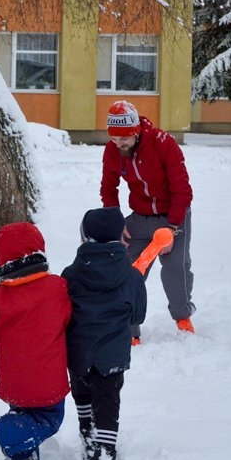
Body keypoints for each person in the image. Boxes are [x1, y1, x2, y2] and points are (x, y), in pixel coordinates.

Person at [0, 222, 72, 460]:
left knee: (23, 414)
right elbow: (69, 320)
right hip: (47, 377)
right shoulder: (57, 288)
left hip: (13, 376)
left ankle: (23, 459)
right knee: (48, 418)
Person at [62, 207, 147, 460]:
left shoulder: (71, 274)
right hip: (112, 355)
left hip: (79, 351)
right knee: (108, 400)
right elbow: (138, 315)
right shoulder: (132, 276)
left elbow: (63, 311)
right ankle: (105, 451)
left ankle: (87, 431)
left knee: (82, 392)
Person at [100, 100, 195, 340]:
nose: (118, 144)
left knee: (175, 269)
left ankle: (182, 316)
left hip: (173, 215)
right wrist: (116, 223)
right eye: (114, 138)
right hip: (140, 218)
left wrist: (172, 227)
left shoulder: (163, 143)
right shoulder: (112, 151)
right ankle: (129, 329)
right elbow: (108, 189)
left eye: (124, 138)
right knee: (128, 271)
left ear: (136, 132)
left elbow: (182, 190)